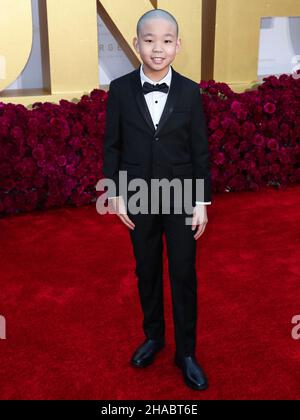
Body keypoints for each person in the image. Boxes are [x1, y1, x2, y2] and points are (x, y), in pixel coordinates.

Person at [103, 9, 212, 391]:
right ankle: (154, 337)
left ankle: (186, 353)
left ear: (178, 45)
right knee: (146, 270)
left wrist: (201, 201)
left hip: (182, 196)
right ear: (136, 43)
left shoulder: (189, 91)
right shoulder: (119, 90)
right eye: (149, 40)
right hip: (138, 196)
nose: (158, 48)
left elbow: (200, 151)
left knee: (183, 274)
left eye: (167, 40)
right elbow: (112, 145)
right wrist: (115, 192)